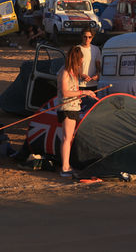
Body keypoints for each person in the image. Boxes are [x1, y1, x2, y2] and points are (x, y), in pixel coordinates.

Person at [57, 46, 97, 177]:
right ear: (75, 59)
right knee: (67, 138)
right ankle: (65, 167)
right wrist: (83, 92)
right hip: (67, 109)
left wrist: (80, 96)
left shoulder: (73, 73)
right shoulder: (65, 72)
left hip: (74, 107)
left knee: (70, 138)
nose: (81, 62)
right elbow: (65, 92)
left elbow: (72, 91)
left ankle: (67, 165)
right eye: (80, 60)